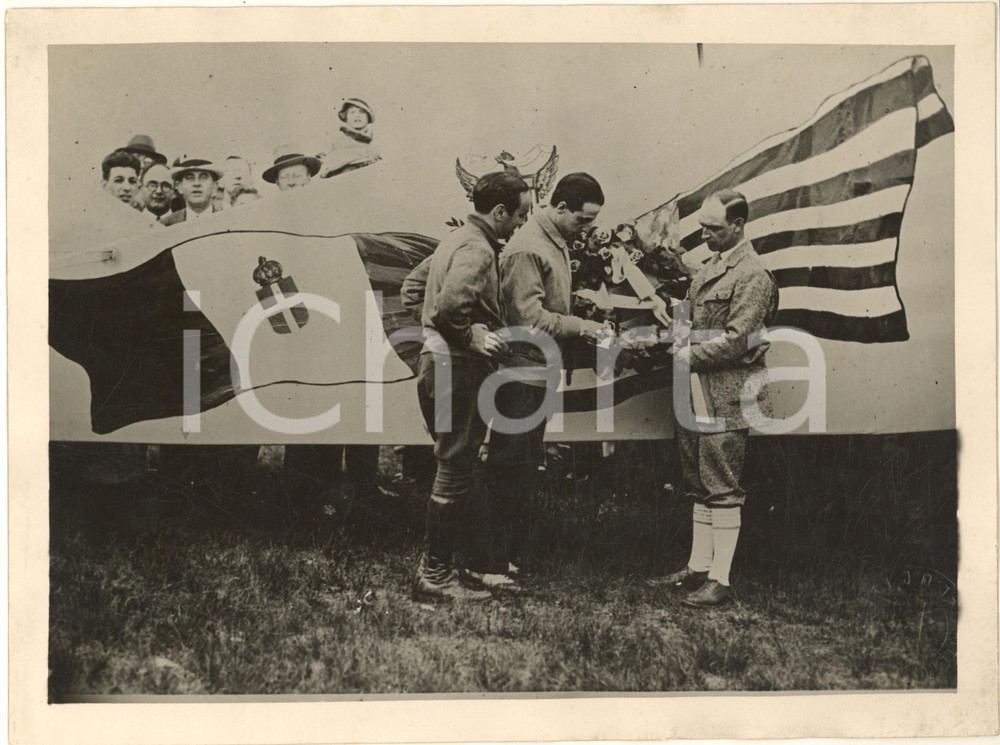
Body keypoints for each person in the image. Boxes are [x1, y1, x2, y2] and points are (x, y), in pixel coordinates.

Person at [473, 172, 609, 591]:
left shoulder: (551, 241)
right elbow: (526, 318)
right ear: (561, 207)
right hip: (520, 373)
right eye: (583, 220)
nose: (585, 228)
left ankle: (502, 556)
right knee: (507, 467)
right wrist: (581, 325)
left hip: (537, 370)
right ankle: (485, 562)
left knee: (520, 468)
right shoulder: (528, 246)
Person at [648, 189, 778, 608]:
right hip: (698, 391)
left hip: (727, 392)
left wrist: (686, 353)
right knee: (697, 481)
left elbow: (739, 338)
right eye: (702, 226)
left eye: (714, 228)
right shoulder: (710, 269)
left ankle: (719, 579)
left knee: (721, 484)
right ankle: (698, 566)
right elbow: (694, 321)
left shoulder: (752, 275)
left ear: (738, 226)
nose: (704, 235)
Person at [412, 170, 533, 603]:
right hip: (458, 370)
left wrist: (434, 343)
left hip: (442, 366)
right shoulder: (478, 249)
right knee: (455, 467)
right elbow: (447, 309)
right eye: (520, 215)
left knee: (457, 465)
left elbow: (414, 289)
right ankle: (435, 577)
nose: (521, 224)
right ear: (498, 212)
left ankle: (445, 569)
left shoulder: (457, 239)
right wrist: (468, 336)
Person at [320, 98, 381, 179]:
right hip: (341, 178)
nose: (357, 115)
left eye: (362, 112)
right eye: (352, 112)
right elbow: (321, 158)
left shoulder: (374, 142)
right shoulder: (337, 138)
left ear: (368, 118)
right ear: (346, 117)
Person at [160, 158, 225, 226]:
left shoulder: (227, 222)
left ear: (214, 187)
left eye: (203, 177)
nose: (196, 184)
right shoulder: (164, 226)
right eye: (189, 177)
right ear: (179, 187)